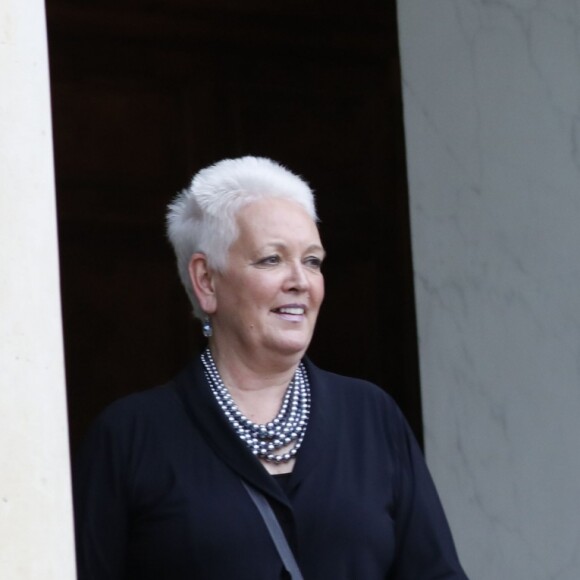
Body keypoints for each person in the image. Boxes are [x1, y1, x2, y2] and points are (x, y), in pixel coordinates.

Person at [73, 156, 468, 579]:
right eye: (271, 259)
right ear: (206, 281)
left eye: (313, 261)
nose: (301, 280)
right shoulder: (130, 437)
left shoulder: (372, 417)